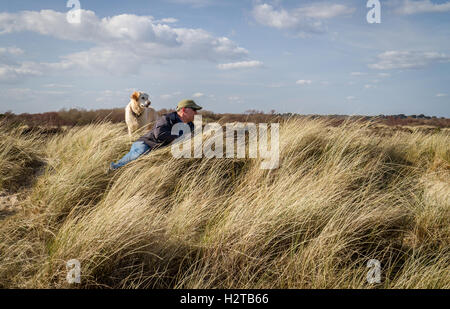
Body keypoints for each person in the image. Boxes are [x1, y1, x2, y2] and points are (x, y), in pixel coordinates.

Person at [109, 99, 202, 171]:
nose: (196, 113)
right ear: (184, 110)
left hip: (161, 151)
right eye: (194, 110)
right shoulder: (167, 118)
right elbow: (160, 134)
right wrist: (181, 138)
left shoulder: (190, 126)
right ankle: (114, 168)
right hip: (146, 144)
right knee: (140, 155)